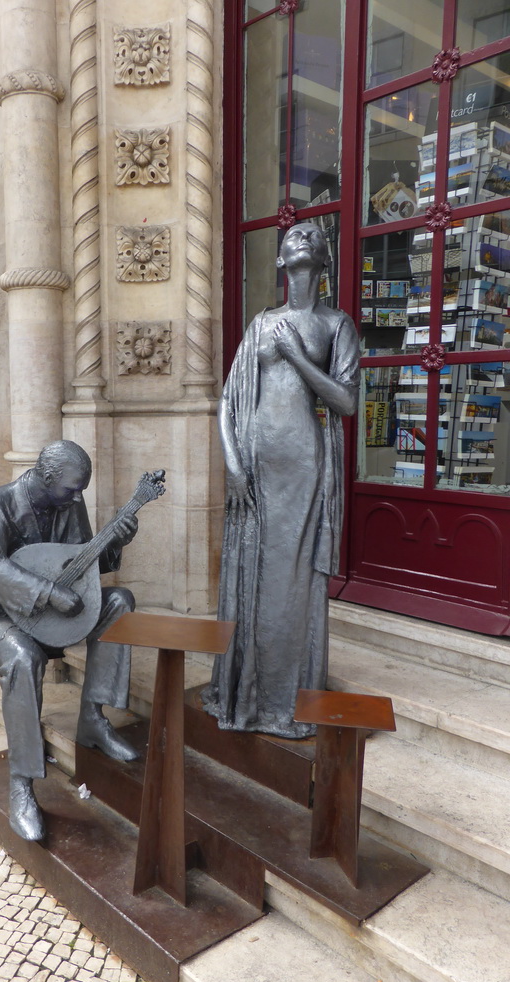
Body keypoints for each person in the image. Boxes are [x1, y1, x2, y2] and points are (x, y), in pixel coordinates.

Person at [203, 223, 360, 738]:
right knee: (252, 571)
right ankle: (244, 692)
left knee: (290, 582)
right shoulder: (261, 323)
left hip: (302, 468)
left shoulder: (337, 326)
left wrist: (296, 356)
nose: (303, 236)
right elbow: (226, 400)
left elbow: (345, 402)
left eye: (312, 235)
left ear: (322, 261)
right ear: (279, 262)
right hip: (253, 464)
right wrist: (230, 462)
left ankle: (282, 697)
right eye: (294, 235)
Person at [0, 440, 138, 841]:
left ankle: (93, 720)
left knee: (120, 602)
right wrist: (47, 593)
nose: (78, 496)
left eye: (82, 488)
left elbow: (84, 566)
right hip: (0, 618)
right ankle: (21, 783)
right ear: (45, 478)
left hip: (56, 620)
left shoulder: (69, 502)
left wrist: (115, 543)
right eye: (71, 488)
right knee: (23, 660)